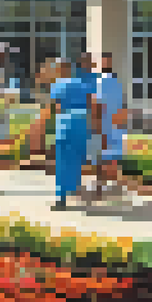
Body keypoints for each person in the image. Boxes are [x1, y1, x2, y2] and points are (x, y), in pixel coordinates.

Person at [49, 58, 95, 211]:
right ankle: (74, 190)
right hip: (81, 125)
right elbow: (91, 104)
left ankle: (61, 198)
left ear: (61, 69)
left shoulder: (58, 85)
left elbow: (57, 107)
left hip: (65, 125)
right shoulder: (83, 84)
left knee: (62, 162)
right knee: (76, 160)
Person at [95, 52, 126, 188]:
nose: (105, 64)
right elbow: (97, 104)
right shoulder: (99, 81)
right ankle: (101, 182)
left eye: (107, 61)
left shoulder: (114, 82)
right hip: (104, 121)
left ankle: (111, 181)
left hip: (113, 122)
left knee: (111, 153)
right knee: (102, 153)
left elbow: (121, 103)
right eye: (104, 61)